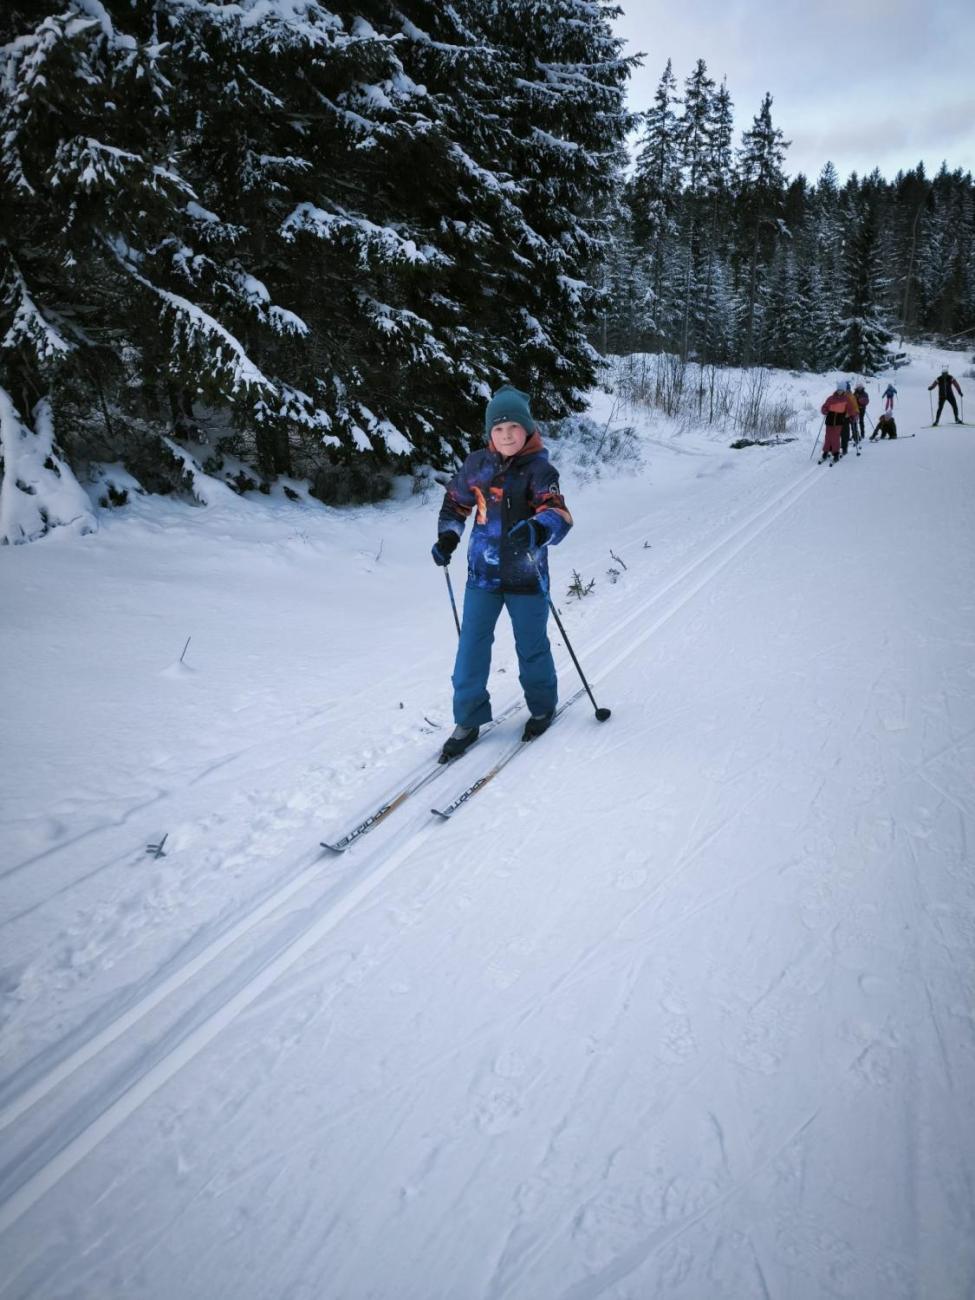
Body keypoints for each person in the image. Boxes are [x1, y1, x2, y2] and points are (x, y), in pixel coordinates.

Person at [432, 385, 573, 761]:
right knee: (471, 648)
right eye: (498, 428)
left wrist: (538, 529)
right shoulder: (477, 465)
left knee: (531, 646)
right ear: (489, 433)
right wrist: (448, 537)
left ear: (527, 429)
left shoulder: (540, 470)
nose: (506, 434)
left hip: (527, 576)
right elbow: (455, 504)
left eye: (513, 427)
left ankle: (542, 707)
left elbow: (558, 513)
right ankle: (468, 719)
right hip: (483, 576)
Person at [820, 382, 849, 464]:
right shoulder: (831, 398)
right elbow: (824, 407)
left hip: (839, 421)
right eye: (839, 389)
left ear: (844, 390)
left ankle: (836, 453)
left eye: (841, 390)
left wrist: (851, 415)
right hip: (830, 420)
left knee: (835, 438)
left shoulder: (846, 399)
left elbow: (850, 409)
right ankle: (825, 452)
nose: (840, 391)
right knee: (828, 437)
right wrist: (825, 411)